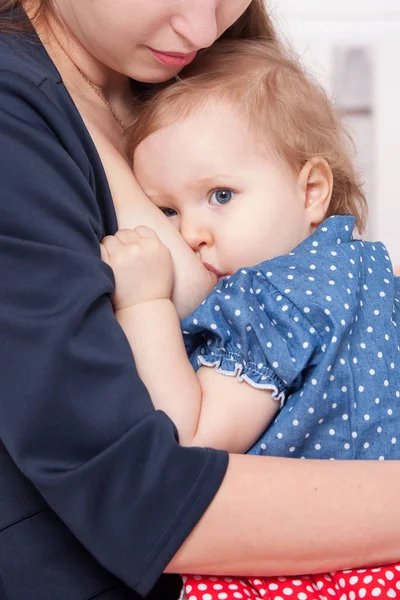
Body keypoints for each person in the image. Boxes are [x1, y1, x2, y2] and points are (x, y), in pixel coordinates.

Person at [0, 2, 400, 600]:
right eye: (167, 213)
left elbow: (191, 442)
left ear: (311, 187)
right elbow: (143, 497)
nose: (202, 29)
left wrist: (145, 304)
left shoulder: (208, 81)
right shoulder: (16, 120)